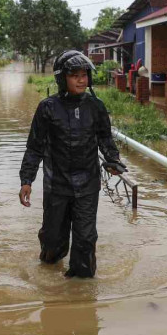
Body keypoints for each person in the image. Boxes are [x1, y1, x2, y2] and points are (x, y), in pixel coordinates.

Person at [18, 50, 127, 278]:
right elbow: (35, 147)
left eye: (84, 75)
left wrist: (113, 160)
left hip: (88, 184)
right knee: (52, 241)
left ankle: (81, 290)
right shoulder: (47, 108)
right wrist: (26, 180)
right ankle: (48, 275)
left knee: (85, 239)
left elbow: (105, 139)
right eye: (74, 75)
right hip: (57, 185)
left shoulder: (96, 107)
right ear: (62, 78)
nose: (81, 80)